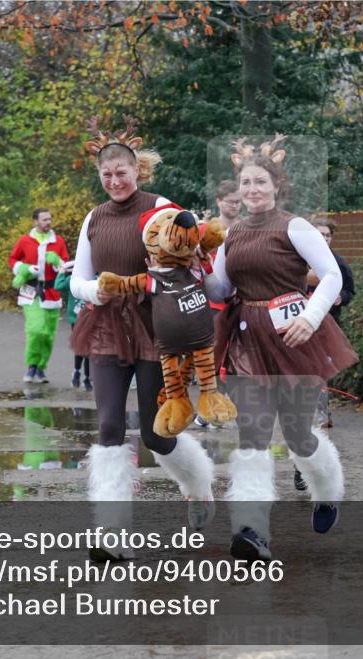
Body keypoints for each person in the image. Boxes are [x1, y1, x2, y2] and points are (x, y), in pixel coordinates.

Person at [204, 135, 358, 561]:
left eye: (260, 181)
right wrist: (192, 268)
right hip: (247, 342)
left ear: (276, 185)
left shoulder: (295, 226)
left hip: (295, 340)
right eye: (245, 182)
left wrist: (311, 317)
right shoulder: (232, 233)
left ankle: (327, 492)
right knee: (252, 435)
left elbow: (331, 275)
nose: (252, 189)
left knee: (297, 437)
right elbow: (221, 288)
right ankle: (251, 530)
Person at [70, 118, 217, 560]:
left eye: (122, 172)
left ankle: (198, 483)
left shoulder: (161, 208)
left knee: (158, 432)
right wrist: (94, 291)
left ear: (137, 171)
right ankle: (111, 534)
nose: (114, 181)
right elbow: (77, 279)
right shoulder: (93, 218)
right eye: (106, 174)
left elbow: (192, 259)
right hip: (105, 327)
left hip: (157, 326)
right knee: (109, 427)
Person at [291, 216, 356, 490]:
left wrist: (341, 297)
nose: (324, 239)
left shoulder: (337, 264)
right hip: (295, 335)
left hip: (325, 333)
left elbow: (349, 290)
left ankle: (317, 422)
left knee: (314, 387)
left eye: (328, 235)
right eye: (319, 234)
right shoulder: (295, 262)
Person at [192, 179, 242, 429]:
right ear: (219, 202)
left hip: (239, 303)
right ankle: (208, 407)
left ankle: (220, 407)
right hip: (209, 304)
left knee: (235, 359)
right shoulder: (204, 231)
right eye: (230, 201)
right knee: (212, 358)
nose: (235, 206)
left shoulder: (245, 229)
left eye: (238, 202)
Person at [9, 208, 70, 383]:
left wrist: (57, 261)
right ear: (35, 221)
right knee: (36, 329)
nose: (48, 222)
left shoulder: (58, 241)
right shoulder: (25, 241)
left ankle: (41, 368)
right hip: (30, 291)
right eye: (44, 220)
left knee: (48, 335)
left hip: (51, 293)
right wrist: (25, 268)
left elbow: (66, 267)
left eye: (50, 219)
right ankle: (31, 365)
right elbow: (12, 260)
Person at [53, 260, 93, 390]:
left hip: (90, 318)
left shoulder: (94, 279)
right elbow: (58, 286)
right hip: (75, 319)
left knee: (88, 348)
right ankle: (77, 372)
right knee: (80, 346)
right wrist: (62, 272)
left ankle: (87, 376)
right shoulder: (72, 279)